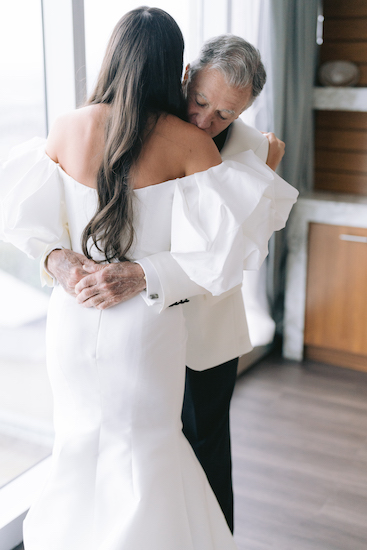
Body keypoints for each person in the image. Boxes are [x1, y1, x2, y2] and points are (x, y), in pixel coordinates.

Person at [0, 8, 298, 549]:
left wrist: (75, 269)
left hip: (84, 320)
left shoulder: (68, 126)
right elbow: (233, 244)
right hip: (147, 326)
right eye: (202, 102)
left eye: (226, 112)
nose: (208, 118)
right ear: (178, 73)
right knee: (144, 449)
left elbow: (23, 214)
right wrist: (67, 265)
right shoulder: (190, 145)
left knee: (100, 441)